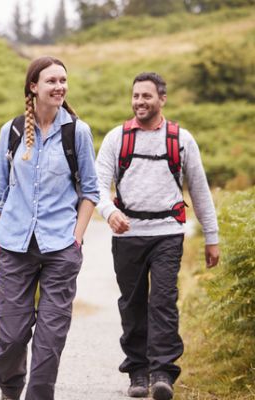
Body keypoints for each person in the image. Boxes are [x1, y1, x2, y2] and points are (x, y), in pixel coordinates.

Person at [0, 56, 99, 400]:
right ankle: (10, 390)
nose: (59, 86)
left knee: (50, 339)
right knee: (12, 337)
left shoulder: (77, 132)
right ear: (34, 87)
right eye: (52, 81)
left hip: (60, 247)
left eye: (63, 80)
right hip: (14, 247)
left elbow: (90, 191)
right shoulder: (12, 131)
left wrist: (75, 240)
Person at [95, 72, 220, 400]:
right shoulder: (116, 138)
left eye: (146, 96)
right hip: (127, 235)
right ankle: (138, 372)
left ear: (162, 99)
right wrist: (110, 213)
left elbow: (200, 191)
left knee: (163, 300)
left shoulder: (181, 140)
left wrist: (212, 237)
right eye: (135, 96)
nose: (139, 102)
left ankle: (162, 372)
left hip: (167, 233)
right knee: (132, 304)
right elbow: (96, 185)